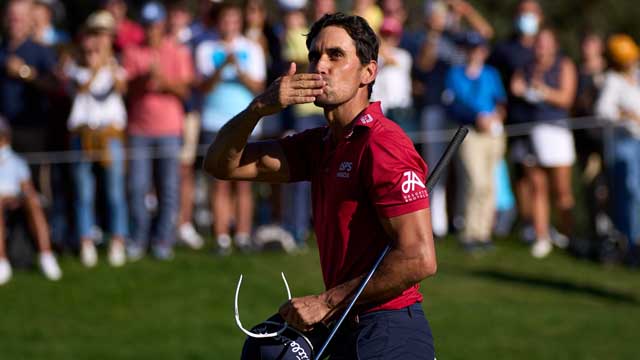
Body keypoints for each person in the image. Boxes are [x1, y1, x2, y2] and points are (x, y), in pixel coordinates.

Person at [205, 13, 437, 358]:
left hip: (389, 330)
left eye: (335, 55)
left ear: (368, 72)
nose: (320, 65)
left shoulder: (382, 144)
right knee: (265, 350)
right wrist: (258, 108)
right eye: (315, 55)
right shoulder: (321, 144)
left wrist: (325, 301)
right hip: (348, 320)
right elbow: (220, 164)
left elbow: (419, 257)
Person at [412, 0, 493, 237]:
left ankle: (459, 220)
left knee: (465, 169)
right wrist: (435, 32)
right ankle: (436, 225)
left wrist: (465, 10)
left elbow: (486, 33)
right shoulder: (424, 37)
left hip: (461, 111)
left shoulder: (461, 37)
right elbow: (424, 64)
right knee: (437, 166)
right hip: (435, 108)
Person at [122, 1, 194, 260]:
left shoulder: (177, 51)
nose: (151, 30)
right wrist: (142, 79)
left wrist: (163, 81)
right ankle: (138, 238)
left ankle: (163, 239)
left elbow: (186, 90)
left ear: (162, 25)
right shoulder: (132, 52)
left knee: (169, 187)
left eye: (155, 25)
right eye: (147, 25)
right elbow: (126, 89)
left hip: (169, 129)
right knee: (137, 187)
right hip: (139, 129)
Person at [195, 3, 265, 254]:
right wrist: (222, 66)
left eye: (234, 20)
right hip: (215, 122)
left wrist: (238, 68)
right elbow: (203, 86)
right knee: (220, 182)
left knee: (245, 181)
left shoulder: (252, 48)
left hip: (246, 122)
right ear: (219, 22)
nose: (229, 25)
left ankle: (244, 234)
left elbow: (259, 86)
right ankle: (222, 237)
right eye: (226, 20)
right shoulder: (205, 48)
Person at [64, 11, 128, 267]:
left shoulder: (115, 68)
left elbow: (120, 88)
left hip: (110, 136)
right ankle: (85, 241)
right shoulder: (74, 68)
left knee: (114, 192)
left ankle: (117, 240)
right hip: (83, 135)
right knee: (84, 193)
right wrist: (94, 66)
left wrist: (106, 66)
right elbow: (81, 89)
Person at [510, 27, 577, 258]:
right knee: (537, 188)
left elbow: (567, 98)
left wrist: (544, 92)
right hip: (531, 132)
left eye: (546, 42)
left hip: (556, 133)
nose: (541, 47)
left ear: (554, 45)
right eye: (538, 42)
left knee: (562, 191)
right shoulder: (526, 67)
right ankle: (542, 237)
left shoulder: (564, 65)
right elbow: (515, 87)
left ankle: (568, 235)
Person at [443, 32, 506, 252]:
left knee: (489, 185)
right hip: (469, 132)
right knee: (474, 181)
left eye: (478, 49)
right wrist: (476, 117)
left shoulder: (491, 74)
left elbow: (500, 101)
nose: (474, 53)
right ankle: (469, 231)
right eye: (470, 49)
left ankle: (483, 232)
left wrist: (496, 117)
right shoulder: (455, 74)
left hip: (493, 133)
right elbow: (452, 105)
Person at [487, 0, 543, 242]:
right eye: (523, 14)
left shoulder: (544, 47)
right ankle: (526, 222)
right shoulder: (504, 49)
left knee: (539, 175)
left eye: (531, 14)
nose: (527, 18)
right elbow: (491, 79)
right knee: (522, 172)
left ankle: (540, 224)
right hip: (515, 120)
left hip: (542, 120)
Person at [595, 34, 640, 265]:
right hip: (623, 144)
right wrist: (624, 115)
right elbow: (603, 111)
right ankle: (630, 244)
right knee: (629, 192)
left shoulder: (638, 76)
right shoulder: (612, 80)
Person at [0, 116, 62, 285]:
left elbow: (27, 187)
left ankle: (46, 255)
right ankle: (2, 261)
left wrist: (21, 197)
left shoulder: (16, 161)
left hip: (17, 198)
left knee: (33, 202)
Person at [371, 16, 414, 133]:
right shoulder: (374, 57)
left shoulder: (403, 55)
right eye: (384, 35)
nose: (388, 39)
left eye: (392, 35)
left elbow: (392, 61)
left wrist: (377, 42)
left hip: (401, 110)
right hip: (381, 111)